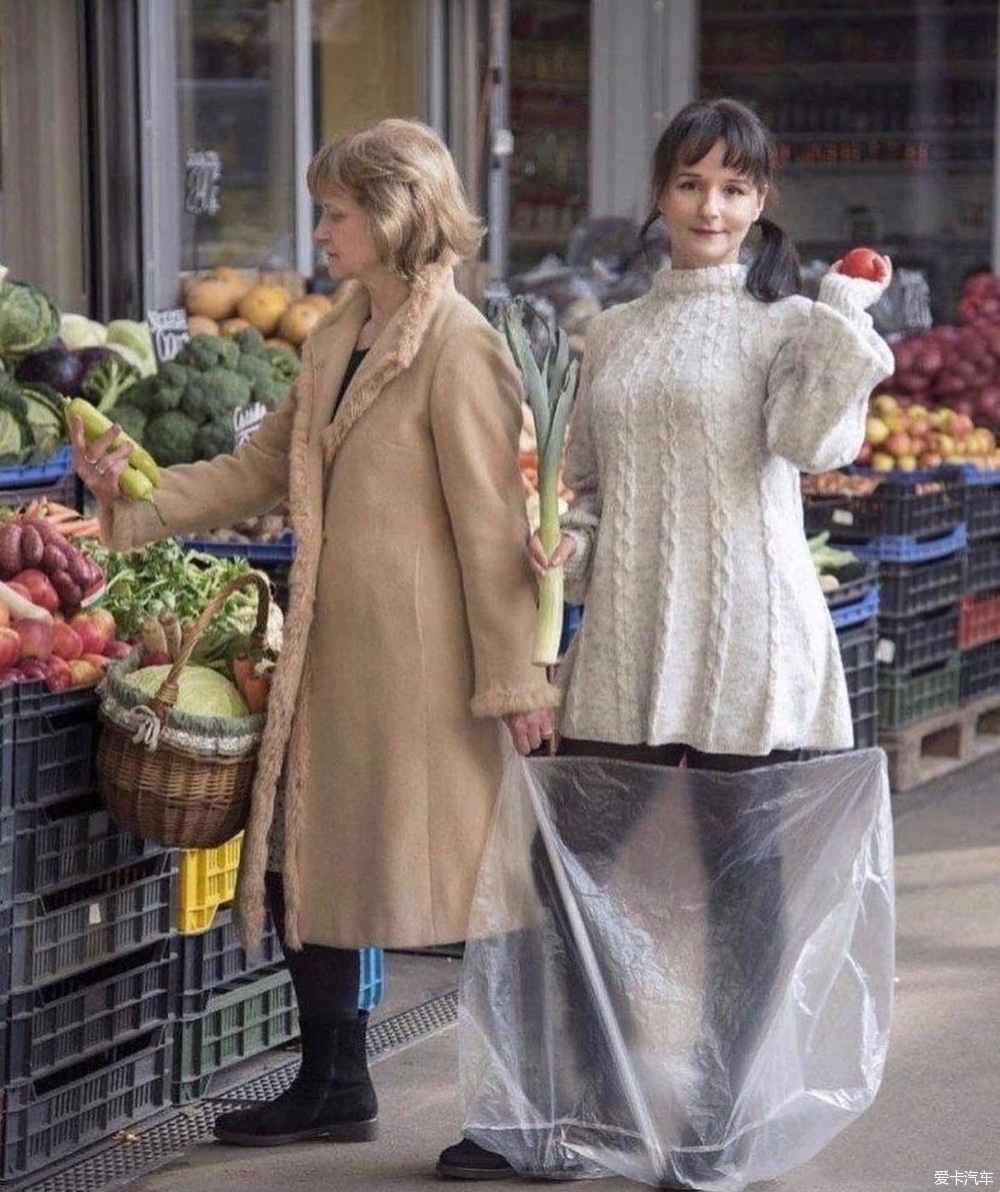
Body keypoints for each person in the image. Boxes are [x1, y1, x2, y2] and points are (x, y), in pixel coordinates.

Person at [72, 117, 559, 1152]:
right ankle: (335, 1082)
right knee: (302, 860)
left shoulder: (460, 348)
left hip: (430, 671)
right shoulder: (342, 332)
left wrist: (518, 682)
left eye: (335, 210)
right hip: (334, 657)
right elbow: (261, 471)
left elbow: (492, 529)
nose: (322, 228)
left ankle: (528, 1113)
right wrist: (137, 495)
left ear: (390, 215)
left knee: (477, 884)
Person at [436, 97, 895, 1187]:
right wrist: (563, 550)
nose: (711, 206)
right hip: (633, 639)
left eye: (735, 187)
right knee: (569, 875)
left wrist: (841, 317)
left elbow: (813, 439)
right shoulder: (614, 332)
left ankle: (718, 1114)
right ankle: (562, 1113)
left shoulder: (784, 327)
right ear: (659, 194)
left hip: (750, 636)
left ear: (760, 203)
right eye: (691, 183)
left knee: (744, 892)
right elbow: (589, 493)